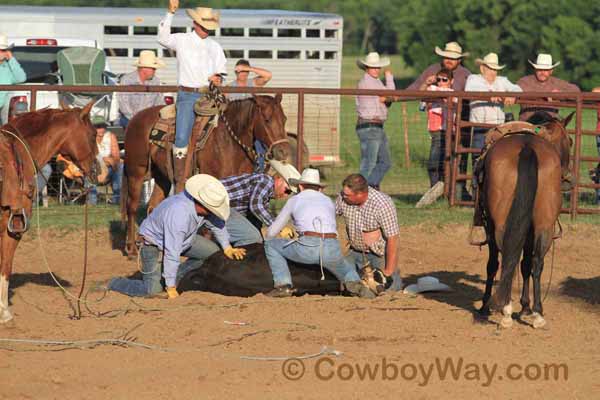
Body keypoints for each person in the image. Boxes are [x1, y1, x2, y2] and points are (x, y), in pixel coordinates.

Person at [108, 174, 247, 298]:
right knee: (151, 290)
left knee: (213, 253)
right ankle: (115, 283)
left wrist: (227, 247)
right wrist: (170, 286)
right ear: (202, 205)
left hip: (185, 240)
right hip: (153, 244)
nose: (213, 212)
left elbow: (216, 223)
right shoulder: (179, 215)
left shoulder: (201, 209)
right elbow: (172, 252)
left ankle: (172, 276)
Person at [263, 168, 374, 298]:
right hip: (331, 246)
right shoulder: (328, 201)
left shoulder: (295, 199)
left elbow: (271, 232)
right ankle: (357, 285)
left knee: (270, 244)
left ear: (300, 186)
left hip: (307, 246)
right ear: (320, 188)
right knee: (346, 269)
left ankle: (283, 285)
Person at [158, 0, 227, 187]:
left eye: (209, 27)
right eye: (204, 26)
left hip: (209, 96)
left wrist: (217, 78)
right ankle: (179, 180)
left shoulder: (215, 47)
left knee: (227, 129)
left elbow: (221, 73)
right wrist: (170, 13)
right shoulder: (182, 40)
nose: (207, 30)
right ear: (195, 24)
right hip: (187, 95)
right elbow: (163, 38)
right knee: (181, 136)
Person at [407, 41, 472, 200]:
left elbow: (472, 95)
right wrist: (395, 96)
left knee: (459, 159)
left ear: (459, 60)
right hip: (439, 124)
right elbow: (415, 89)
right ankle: (435, 191)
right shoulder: (432, 70)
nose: (449, 60)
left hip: (461, 122)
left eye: (453, 57)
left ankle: (459, 192)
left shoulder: (466, 75)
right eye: (446, 57)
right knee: (436, 159)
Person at [336, 173, 402, 291]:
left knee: (387, 288)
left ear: (360, 194)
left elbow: (393, 238)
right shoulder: (343, 198)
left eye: (347, 195)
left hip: (378, 254)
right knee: (342, 284)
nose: (343, 196)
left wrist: (387, 272)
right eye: (343, 194)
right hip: (355, 252)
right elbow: (329, 215)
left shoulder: (382, 204)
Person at [465, 53, 522, 181]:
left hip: (498, 129)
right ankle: (476, 193)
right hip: (480, 127)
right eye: (490, 68)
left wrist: (512, 96)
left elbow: (517, 89)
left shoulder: (502, 81)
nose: (493, 72)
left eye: (495, 69)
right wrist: (488, 94)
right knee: (478, 160)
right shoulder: (473, 79)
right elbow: (471, 89)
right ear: (482, 68)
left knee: (498, 161)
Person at [220, 160, 301, 245]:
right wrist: (278, 227)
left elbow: (256, 216)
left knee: (255, 238)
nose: (285, 195)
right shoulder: (266, 181)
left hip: (222, 208)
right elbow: (256, 206)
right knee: (252, 237)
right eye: (287, 190)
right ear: (279, 179)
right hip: (215, 202)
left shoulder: (266, 197)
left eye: (289, 193)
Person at [355, 52, 396, 189]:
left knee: (384, 162)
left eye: (378, 67)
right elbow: (391, 95)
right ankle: (361, 190)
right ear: (366, 67)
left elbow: (388, 97)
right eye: (373, 67)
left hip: (375, 126)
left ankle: (370, 187)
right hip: (370, 125)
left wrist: (386, 98)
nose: (377, 70)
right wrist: (389, 78)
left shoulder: (375, 81)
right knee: (370, 162)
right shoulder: (368, 82)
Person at [228, 59, 273, 171]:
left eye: (245, 71)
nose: (242, 74)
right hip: (236, 126)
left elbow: (268, 75)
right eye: (240, 71)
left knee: (260, 136)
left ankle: (261, 165)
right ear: (236, 72)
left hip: (252, 126)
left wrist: (249, 68)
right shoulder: (229, 87)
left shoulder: (253, 83)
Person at [419, 68, 455, 189]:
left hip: (447, 130)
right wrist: (426, 83)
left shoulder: (453, 93)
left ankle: (441, 189)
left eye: (444, 80)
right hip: (435, 130)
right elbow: (421, 102)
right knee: (436, 163)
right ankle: (436, 188)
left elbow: (454, 101)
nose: (441, 82)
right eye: (438, 80)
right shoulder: (431, 90)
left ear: (451, 81)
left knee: (439, 162)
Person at [517, 53, 580, 121]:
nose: (542, 72)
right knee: (537, 130)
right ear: (535, 69)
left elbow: (576, 91)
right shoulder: (524, 81)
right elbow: (516, 90)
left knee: (552, 128)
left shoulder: (557, 83)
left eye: (546, 70)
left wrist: (561, 93)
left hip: (550, 125)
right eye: (540, 69)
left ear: (551, 71)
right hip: (528, 124)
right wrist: (548, 95)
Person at [117, 50, 165, 128]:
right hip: (129, 118)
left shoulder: (155, 81)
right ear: (144, 69)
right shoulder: (127, 80)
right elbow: (124, 105)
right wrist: (137, 119)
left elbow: (159, 102)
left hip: (149, 119)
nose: (155, 71)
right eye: (153, 68)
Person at [87, 116, 123, 205]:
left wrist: (108, 161)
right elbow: (89, 157)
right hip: (93, 168)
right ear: (93, 128)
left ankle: (117, 199)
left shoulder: (111, 136)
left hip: (109, 168)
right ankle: (92, 201)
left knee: (120, 167)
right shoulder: (88, 138)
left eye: (103, 126)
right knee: (90, 168)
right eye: (98, 127)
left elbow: (116, 157)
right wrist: (104, 160)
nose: (102, 129)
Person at [0, 34, 26, 125]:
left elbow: (21, 78)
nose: (0, 52)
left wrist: (11, 59)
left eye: (3, 50)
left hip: (3, 109)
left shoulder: (9, 68)